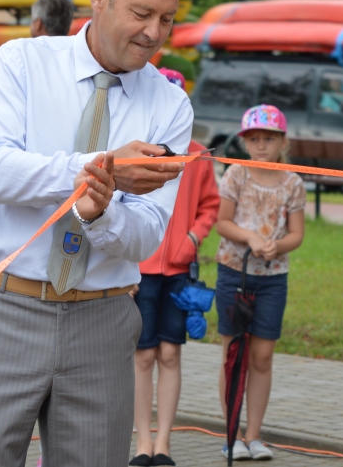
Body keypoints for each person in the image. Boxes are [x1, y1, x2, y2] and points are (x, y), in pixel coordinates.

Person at [0, 0, 192, 467]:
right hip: (0, 311)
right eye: (141, 13)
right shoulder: (22, 63)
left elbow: (145, 235)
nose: (153, 33)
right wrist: (100, 168)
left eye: (166, 19)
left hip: (104, 323)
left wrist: (100, 211)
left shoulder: (170, 105)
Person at [215, 104, 306, 461]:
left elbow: (297, 234)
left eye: (268, 138)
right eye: (254, 139)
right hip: (233, 275)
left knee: (263, 356)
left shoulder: (293, 182)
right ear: (245, 142)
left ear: (283, 141)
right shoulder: (235, 174)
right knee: (233, 355)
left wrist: (276, 246)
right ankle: (231, 434)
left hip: (273, 280)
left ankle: (254, 436)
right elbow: (223, 223)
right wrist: (251, 238)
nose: (261, 146)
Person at [130, 136, 220, 467]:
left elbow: (211, 206)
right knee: (143, 356)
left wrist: (193, 238)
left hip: (180, 270)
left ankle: (164, 442)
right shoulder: (137, 149)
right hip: (141, 266)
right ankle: (142, 441)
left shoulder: (198, 154)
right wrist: (126, 267)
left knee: (170, 353)